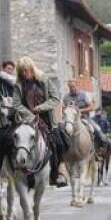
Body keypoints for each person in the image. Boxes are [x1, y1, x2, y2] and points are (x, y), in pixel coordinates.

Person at [12, 57, 67, 187]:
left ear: (32, 68)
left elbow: (55, 98)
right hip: (25, 120)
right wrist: (30, 114)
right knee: (7, 139)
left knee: (59, 142)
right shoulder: (18, 85)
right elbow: (16, 104)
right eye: (21, 72)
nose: (24, 74)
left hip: (45, 119)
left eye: (26, 70)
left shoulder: (44, 80)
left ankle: (57, 173)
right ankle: (7, 169)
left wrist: (41, 107)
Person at [62, 80, 111, 160]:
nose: (72, 89)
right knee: (60, 131)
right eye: (70, 87)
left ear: (77, 85)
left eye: (73, 86)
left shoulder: (84, 95)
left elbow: (92, 107)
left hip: (84, 118)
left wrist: (80, 111)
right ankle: (60, 155)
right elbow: (63, 109)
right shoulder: (66, 97)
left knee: (97, 131)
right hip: (71, 119)